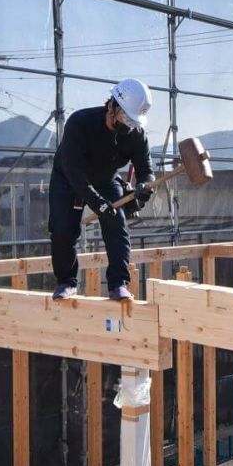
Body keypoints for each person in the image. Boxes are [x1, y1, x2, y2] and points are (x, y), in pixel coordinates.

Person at [49, 79, 155, 301]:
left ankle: (118, 284)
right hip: (68, 178)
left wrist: (145, 186)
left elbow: (146, 168)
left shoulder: (135, 134)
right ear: (112, 106)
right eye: (125, 118)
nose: (128, 125)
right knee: (63, 229)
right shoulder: (80, 122)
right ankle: (66, 282)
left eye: (133, 121)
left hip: (105, 178)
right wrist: (97, 203)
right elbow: (73, 170)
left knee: (116, 225)